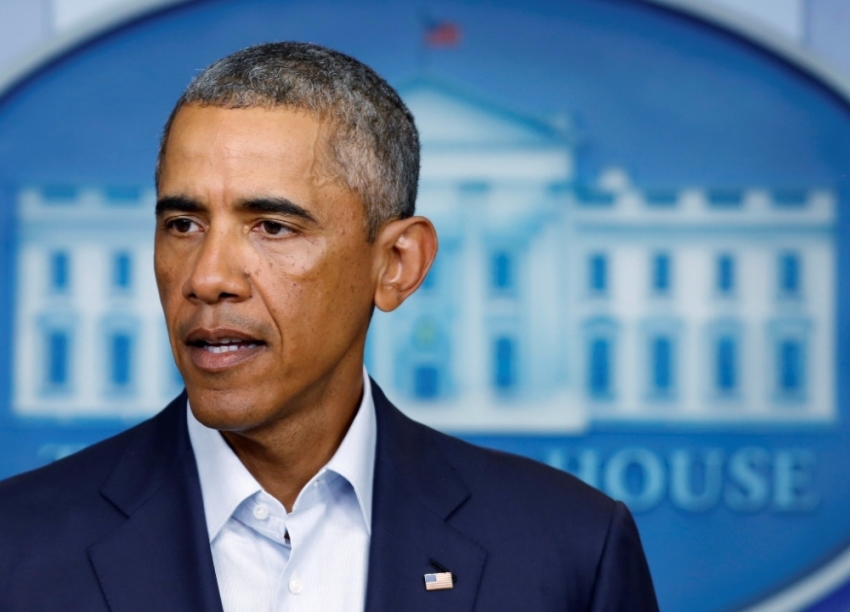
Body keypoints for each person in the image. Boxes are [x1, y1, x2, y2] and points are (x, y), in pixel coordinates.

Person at [0, 42, 659, 611]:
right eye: (183, 225)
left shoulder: (569, 551)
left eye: (272, 227)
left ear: (396, 264)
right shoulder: (16, 546)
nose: (207, 277)